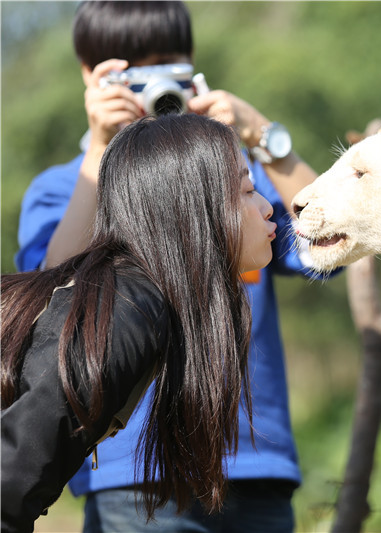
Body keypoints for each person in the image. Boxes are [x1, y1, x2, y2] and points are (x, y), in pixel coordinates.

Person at [14, 2, 328, 531]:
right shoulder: (63, 188)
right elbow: (57, 304)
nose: (154, 87)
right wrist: (99, 151)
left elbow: (328, 250)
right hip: (133, 474)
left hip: (256, 459)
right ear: (92, 79)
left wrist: (264, 138)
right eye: (132, 75)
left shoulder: (239, 180)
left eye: (170, 67)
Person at [2, 113, 276, 533]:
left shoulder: (134, 296)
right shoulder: (129, 308)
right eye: (247, 190)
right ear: (193, 208)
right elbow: (10, 482)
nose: (266, 206)